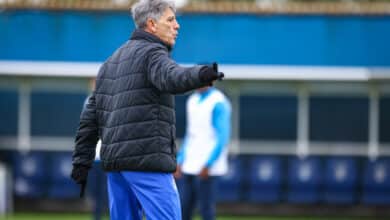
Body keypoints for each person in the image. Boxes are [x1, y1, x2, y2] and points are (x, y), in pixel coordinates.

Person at [70, 0, 224, 219]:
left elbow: (90, 119)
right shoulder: (153, 53)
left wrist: (81, 161)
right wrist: (201, 74)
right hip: (147, 164)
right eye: (170, 20)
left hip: (116, 168)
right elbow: (172, 77)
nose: (177, 25)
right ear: (151, 24)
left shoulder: (109, 63)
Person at [174, 85, 231, 220]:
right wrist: (180, 160)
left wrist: (209, 163)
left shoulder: (219, 101)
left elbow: (222, 137)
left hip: (207, 167)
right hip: (190, 164)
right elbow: (191, 134)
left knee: (206, 210)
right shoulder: (192, 100)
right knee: (183, 208)